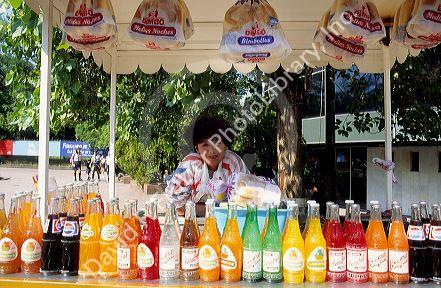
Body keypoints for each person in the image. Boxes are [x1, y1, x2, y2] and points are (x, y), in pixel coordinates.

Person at [165, 116, 248, 216]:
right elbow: (178, 208)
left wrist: (196, 208)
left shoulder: (234, 163)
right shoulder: (190, 165)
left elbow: (245, 201)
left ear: (226, 145)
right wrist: (218, 210)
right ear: (196, 148)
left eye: (217, 143)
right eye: (205, 145)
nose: (212, 151)